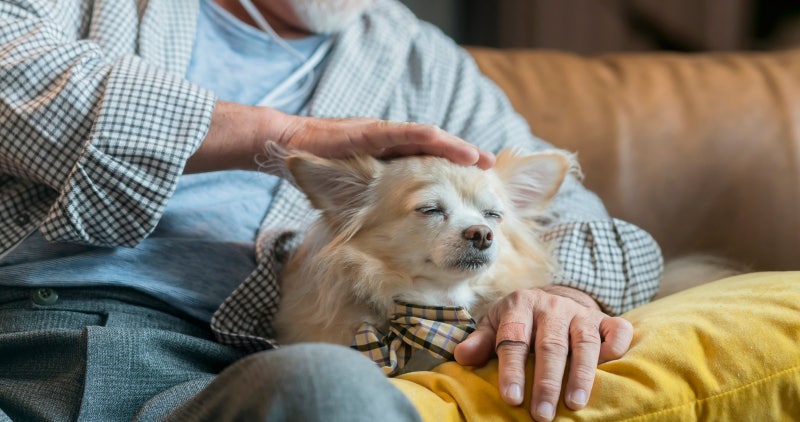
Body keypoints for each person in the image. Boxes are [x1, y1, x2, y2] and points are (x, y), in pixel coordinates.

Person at [0, 0, 662, 421]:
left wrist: (564, 289)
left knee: (328, 384)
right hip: (20, 336)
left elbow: (588, 220)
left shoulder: (420, 61)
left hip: (228, 375)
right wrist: (277, 135)